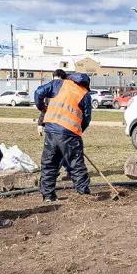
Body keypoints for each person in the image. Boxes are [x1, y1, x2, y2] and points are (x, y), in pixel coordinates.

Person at [34, 71, 92, 202]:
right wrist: (79, 130)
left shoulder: (57, 84)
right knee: (76, 164)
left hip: (51, 131)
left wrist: (42, 108)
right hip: (70, 134)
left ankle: (48, 196)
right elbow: (87, 118)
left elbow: (38, 92)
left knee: (49, 163)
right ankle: (84, 195)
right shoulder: (84, 94)